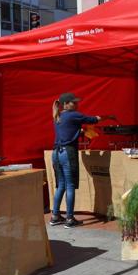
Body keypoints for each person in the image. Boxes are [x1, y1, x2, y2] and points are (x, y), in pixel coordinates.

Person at [50, 92, 114, 228]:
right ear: (66, 104)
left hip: (56, 153)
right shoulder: (73, 115)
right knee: (70, 185)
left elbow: (67, 132)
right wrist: (107, 117)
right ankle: (69, 218)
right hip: (67, 153)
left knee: (61, 185)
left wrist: (82, 132)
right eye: (74, 102)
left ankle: (55, 216)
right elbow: (93, 120)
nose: (77, 104)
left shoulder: (58, 116)